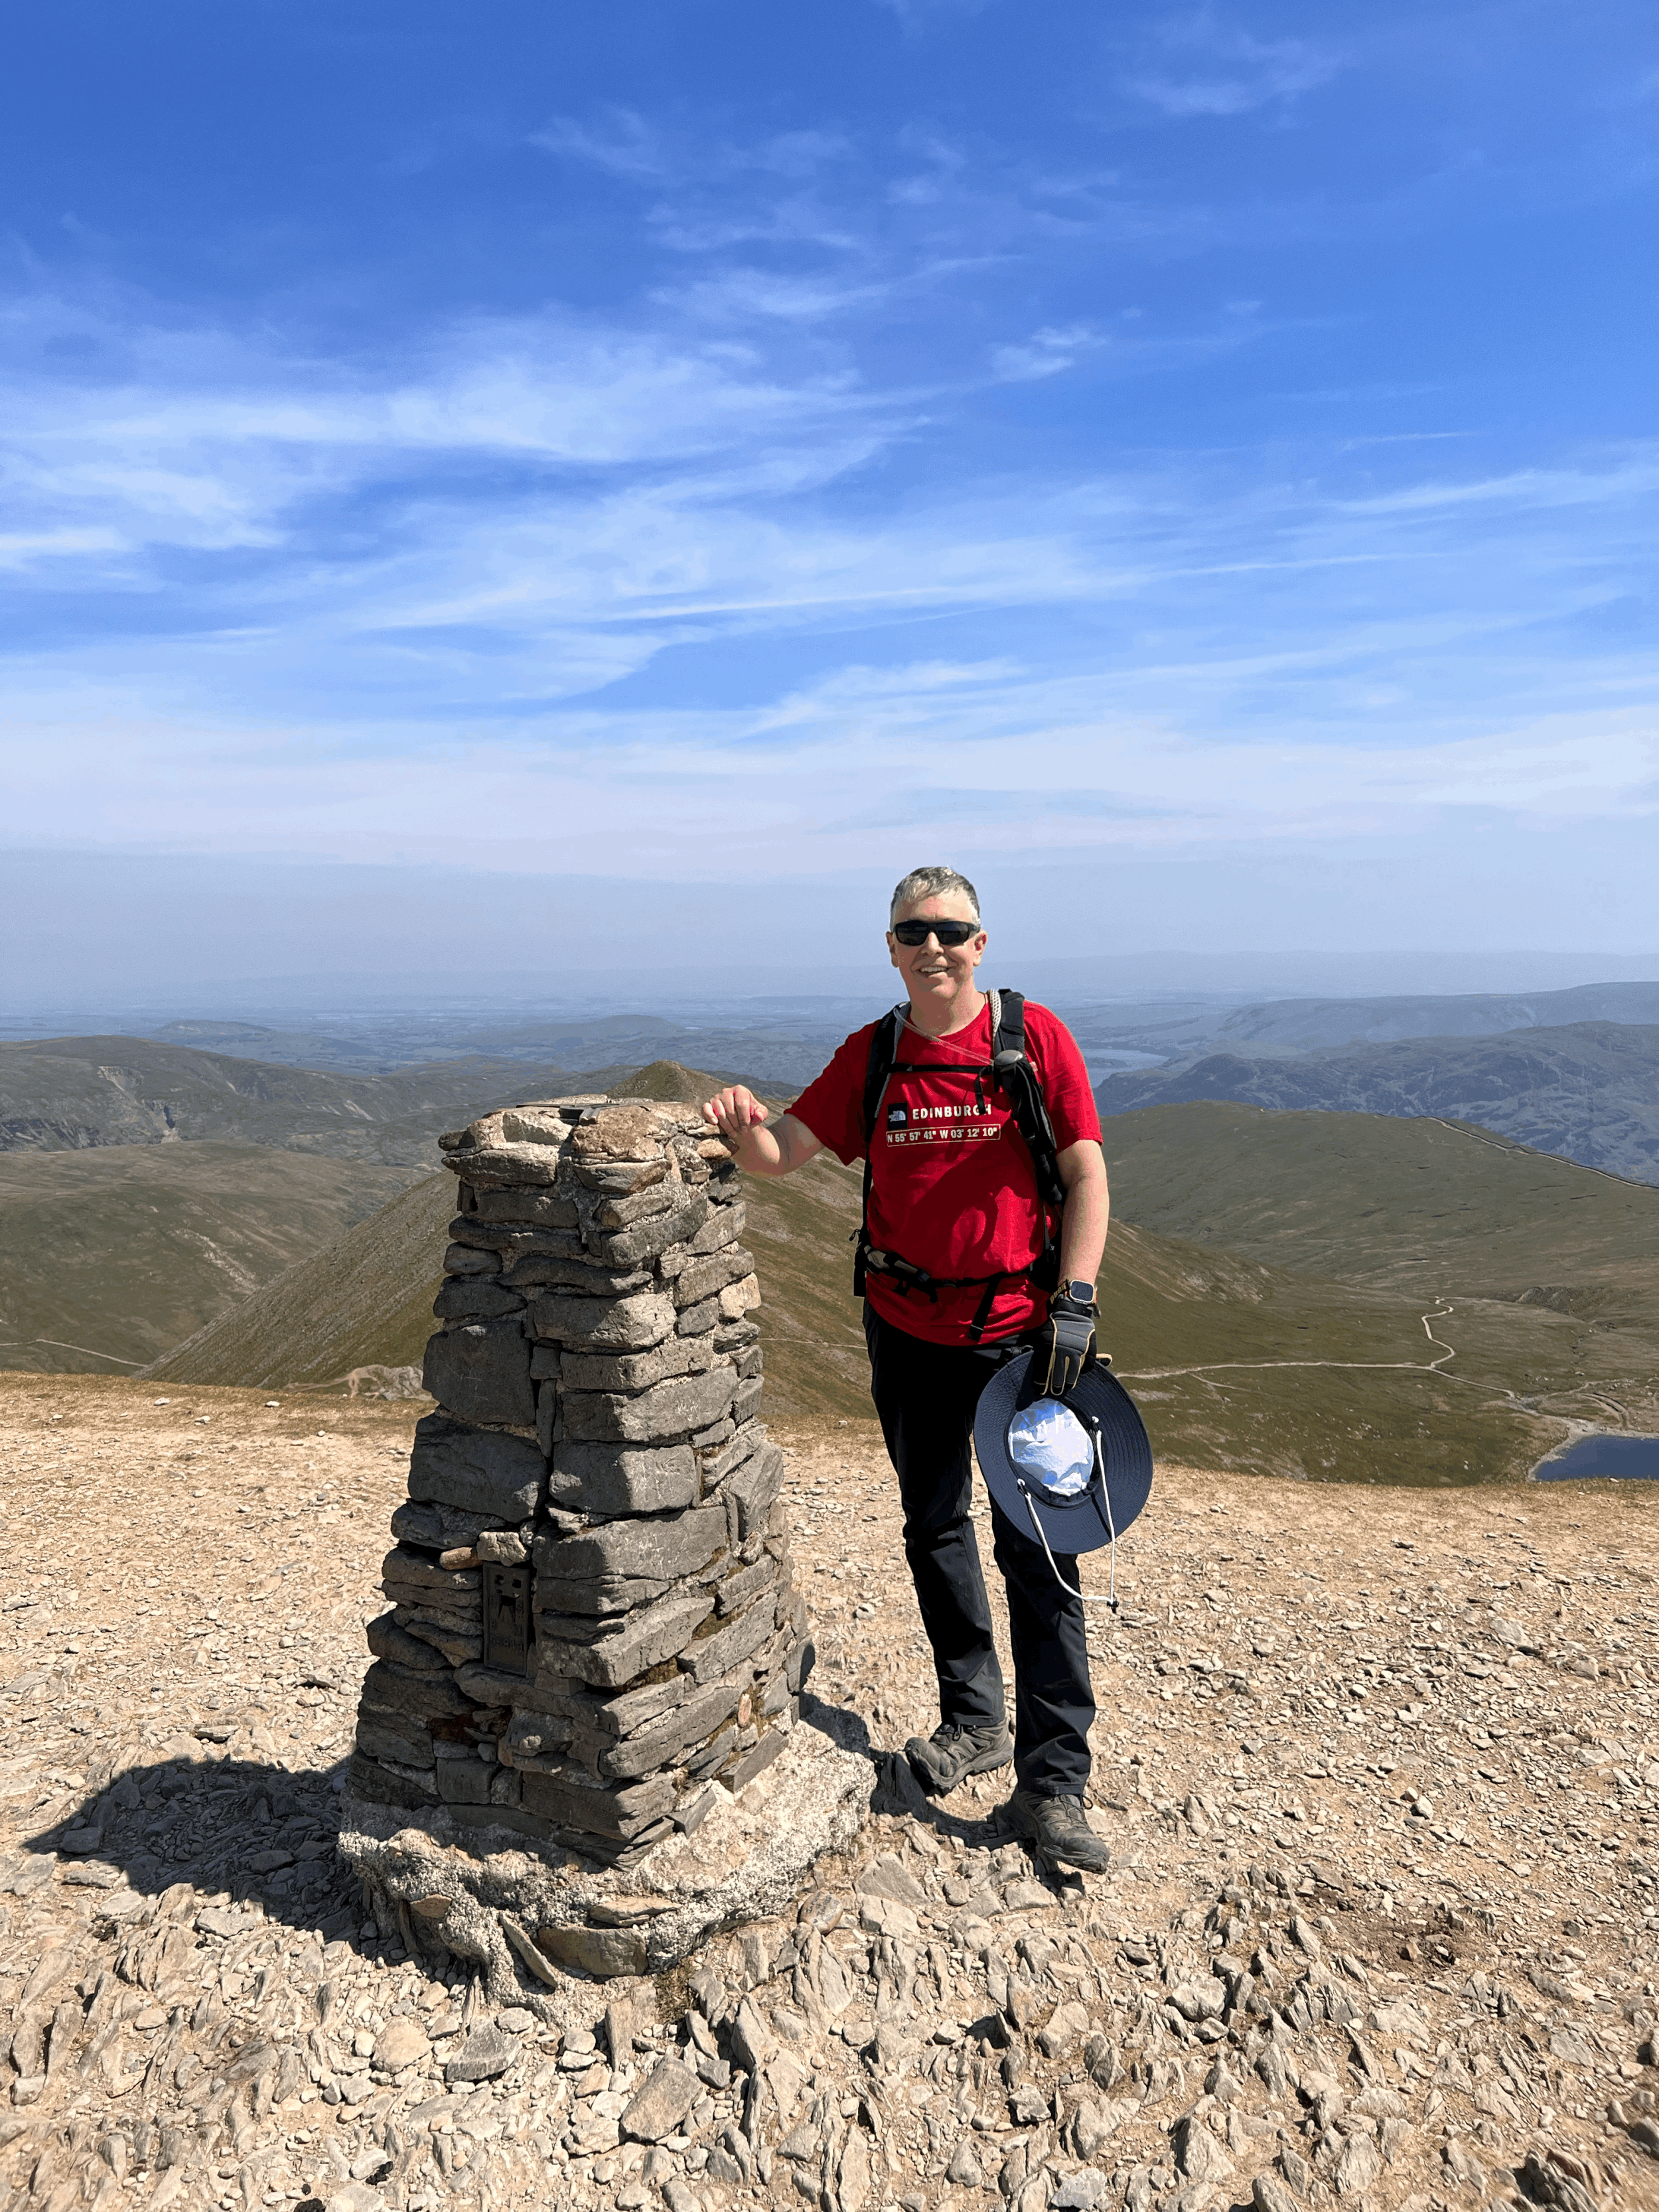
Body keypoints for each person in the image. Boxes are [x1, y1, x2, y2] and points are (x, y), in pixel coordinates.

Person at [700, 865, 1114, 1872]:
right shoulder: (875, 1053)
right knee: (935, 1527)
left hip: (1023, 1339)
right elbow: (783, 1154)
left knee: (1042, 1555)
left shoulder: (1032, 1040)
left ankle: (1054, 1784)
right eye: (912, 931)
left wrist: (1078, 1303)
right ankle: (972, 1721)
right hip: (907, 1331)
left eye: (952, 930)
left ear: (982, 944)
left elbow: (1086, 1170)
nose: (933, 945)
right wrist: (737, 1119)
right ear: (890, 948)